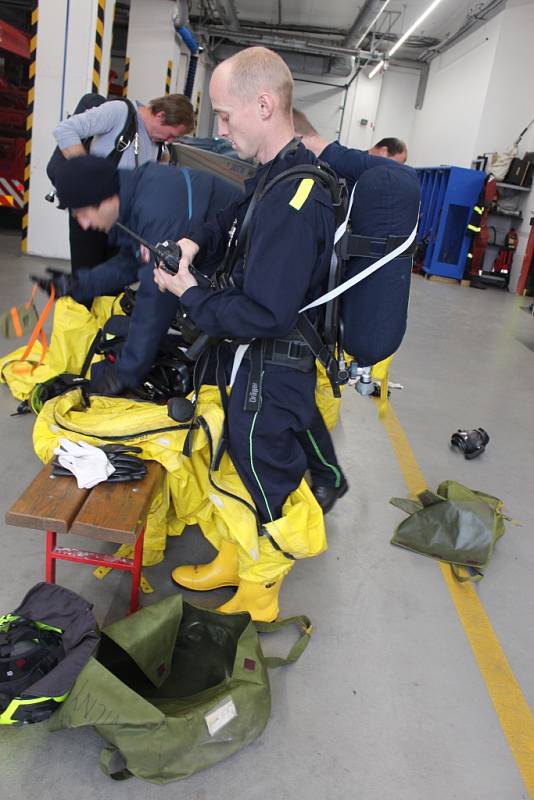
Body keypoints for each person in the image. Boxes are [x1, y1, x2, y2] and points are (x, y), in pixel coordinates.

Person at [153, 47, 336, 621]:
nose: (220, 127)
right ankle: (238, 553)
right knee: (237, 460)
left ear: (264, 104)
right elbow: (230, 219)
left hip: (274, 367)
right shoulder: (271, 177)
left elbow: (265, 313)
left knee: (266, 475)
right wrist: (191, 244)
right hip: (250, 363)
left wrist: (188, 294)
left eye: (225, 116)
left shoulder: (295, 199)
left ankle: (262, 587)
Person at [292, 110, 417, 513]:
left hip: (309, 314)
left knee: (288, 393)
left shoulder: (345, 174)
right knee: (294, 395)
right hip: (322, 315)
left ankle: (324, 477)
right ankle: (325, 475)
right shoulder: (341, 176)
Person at [32, 155, 241, 395]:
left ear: (105, 199)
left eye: (83, 213)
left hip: (240, 261)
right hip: (214, 258)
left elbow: (156, 298)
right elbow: (131, 261)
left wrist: (124, 373)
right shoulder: (131, 195)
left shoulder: (157, 209)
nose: (85, 224)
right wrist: (78, 284)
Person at [53, 94, 195, 272]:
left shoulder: (159, 146)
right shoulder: (120, 112)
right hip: (92, 213)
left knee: (112, 287)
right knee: (87, 281)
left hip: (122, 224)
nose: (170, 140)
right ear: (161, 116)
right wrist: (87, 174)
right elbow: (65, 130)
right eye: (171, 135)